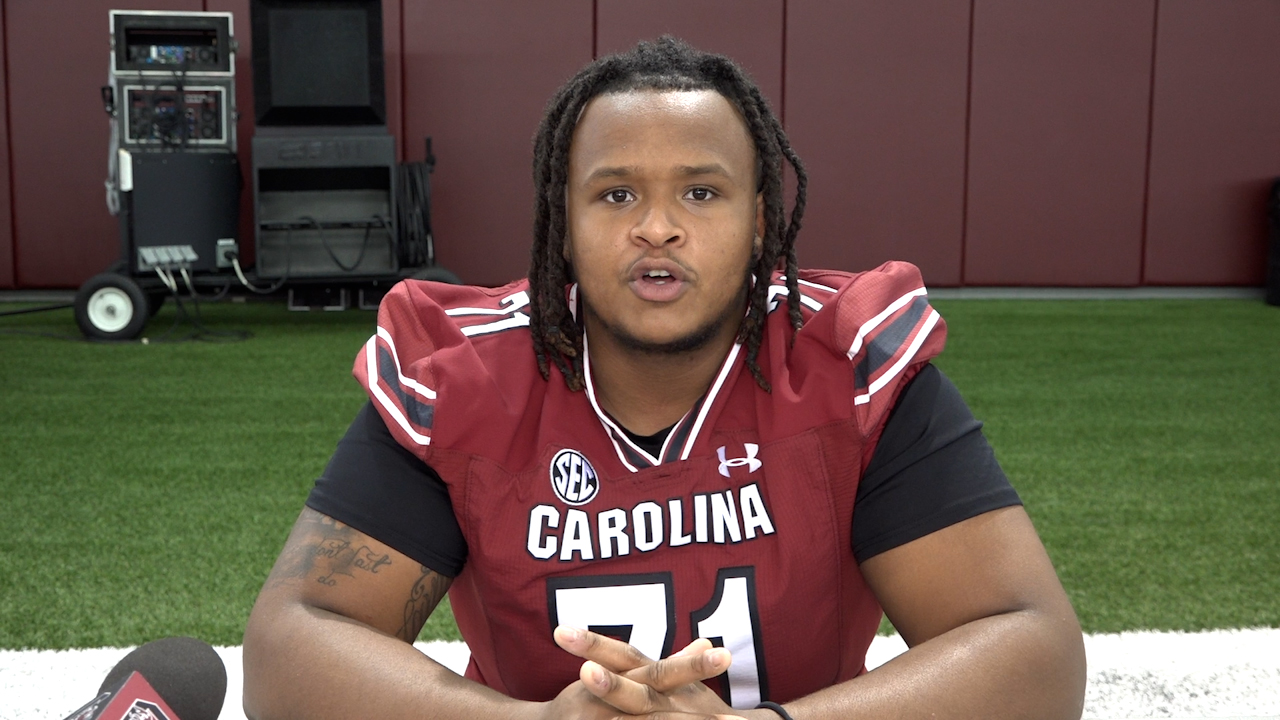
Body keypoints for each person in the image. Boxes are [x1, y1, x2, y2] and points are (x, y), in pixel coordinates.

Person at [243, 37, 1086, 720]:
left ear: (760, 222)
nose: (657, 229)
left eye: (701, 194)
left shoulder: (848, 363)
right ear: (561, 225)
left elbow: (1032, 651)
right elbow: (294, 647)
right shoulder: (465, 377)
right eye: (614, 196)